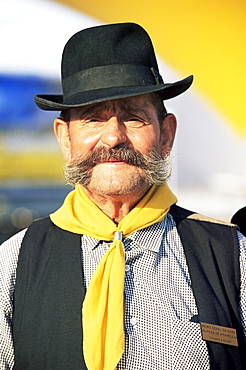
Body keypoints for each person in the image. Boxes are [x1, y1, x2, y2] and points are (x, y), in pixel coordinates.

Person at [0, 22, 246, 370]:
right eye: (93, 118)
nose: (114, 137)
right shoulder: (13, 264)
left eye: (133, 117)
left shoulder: (232, 255)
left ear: (166, 136)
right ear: (65, 139)